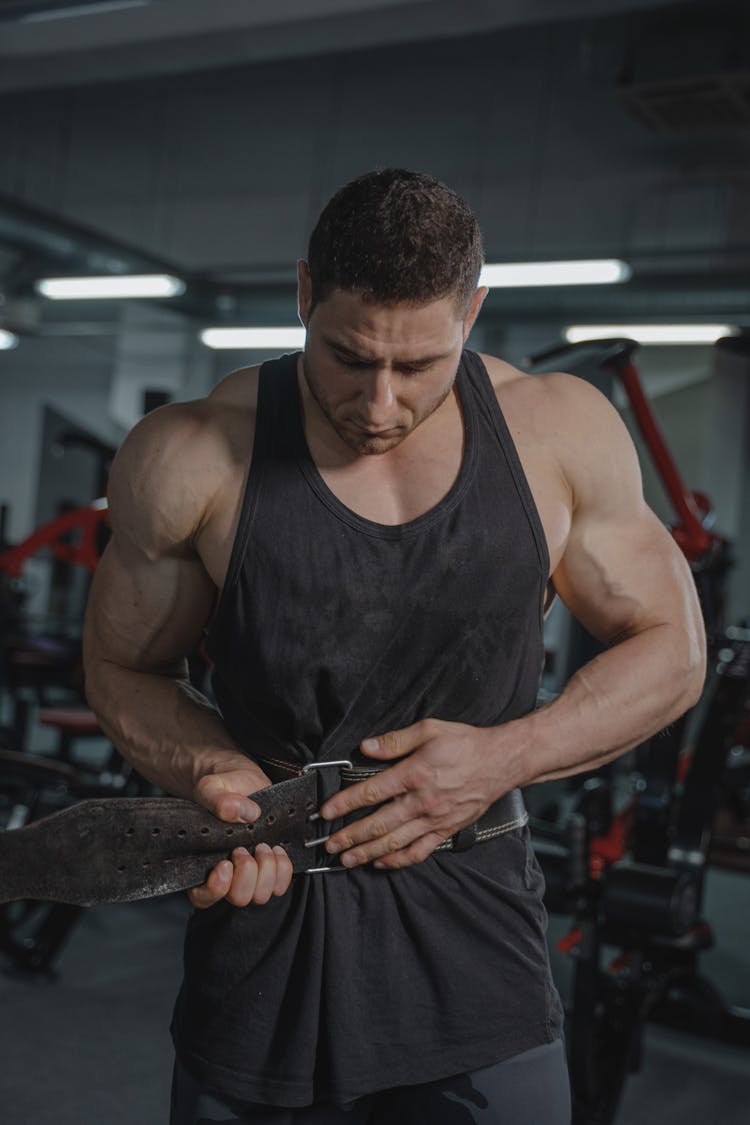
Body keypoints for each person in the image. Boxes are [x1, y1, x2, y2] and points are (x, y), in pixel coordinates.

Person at [82, 168, 705, 1125]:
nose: (378, 403)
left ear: (475, 310)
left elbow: (674, 649)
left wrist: (505, 754)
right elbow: (122, 665)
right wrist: (215, 773)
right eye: (346, 355)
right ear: (302, 295)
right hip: (267, 927)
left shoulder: (557, 433)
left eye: (418, 365)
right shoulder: (194, 453)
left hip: (477, 935)